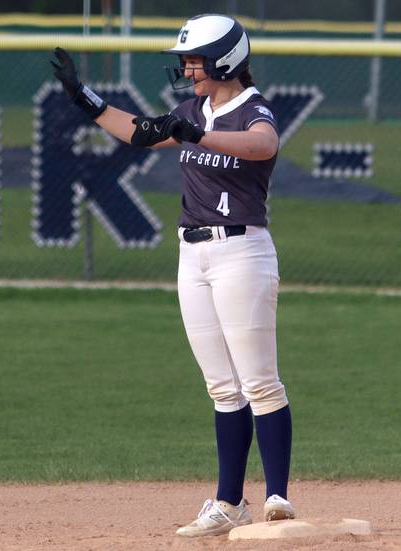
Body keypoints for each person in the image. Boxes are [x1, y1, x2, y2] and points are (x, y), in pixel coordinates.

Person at [50, 14, 294, 538]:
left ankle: (278, 497)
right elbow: (139, 132)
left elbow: (263, 145)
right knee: (222, 387)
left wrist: (199, 132)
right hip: (194, 255)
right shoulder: (193, 109)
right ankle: (229, 503)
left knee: (259, 380)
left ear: (227, 59)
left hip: (242, 251)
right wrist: (83, 98)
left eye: (196, 59)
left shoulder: (252, 109)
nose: (187, 68)